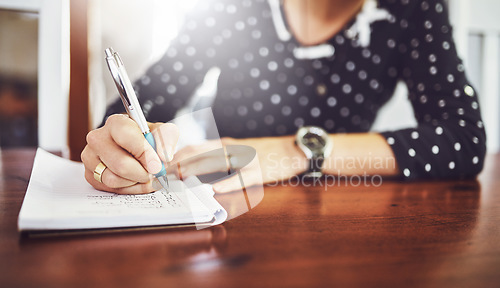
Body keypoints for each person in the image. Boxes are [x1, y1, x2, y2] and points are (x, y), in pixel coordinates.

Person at [81, 0, 486, 194]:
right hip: (230, 210)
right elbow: (140, 103)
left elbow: (463, 140)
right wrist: (120, 140)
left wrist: (293, 153)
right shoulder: (232, 9)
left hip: (342, 216)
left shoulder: (412, 10)